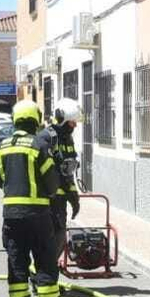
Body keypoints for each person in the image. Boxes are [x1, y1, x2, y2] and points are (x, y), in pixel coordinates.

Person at [0, 99, 62, 297]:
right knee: (44, 255)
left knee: (16, 257)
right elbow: (52, 182)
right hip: (37, 212)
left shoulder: (0, 147)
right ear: (34, 120)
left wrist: (12, 186)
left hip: (11, 214)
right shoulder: (40, 146)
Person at [41, 96, 84, 258]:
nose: (74, 126)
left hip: (60, 200)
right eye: (72, 122)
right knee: (47, 240)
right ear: (61, 119)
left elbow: (68, 168)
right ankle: (42, 274)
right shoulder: (46, 137)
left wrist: (73, 194)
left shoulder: (68, 138)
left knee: (59, 238)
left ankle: (45, 274)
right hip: (46, 200)